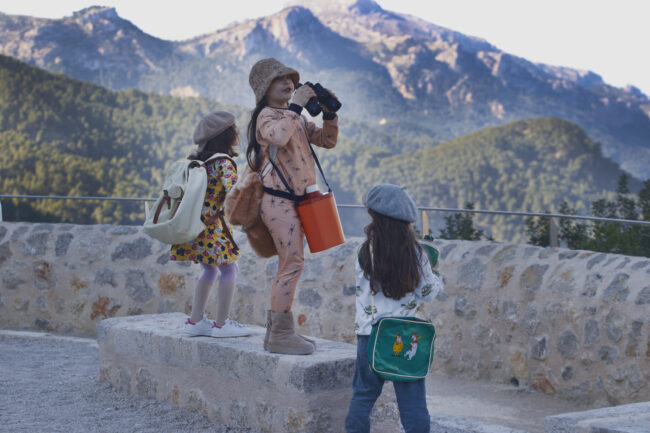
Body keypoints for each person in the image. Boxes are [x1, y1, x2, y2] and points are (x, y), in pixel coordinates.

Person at [247, 58, 339, 355]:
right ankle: (281, 335)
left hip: (300, 200)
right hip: (278, 200)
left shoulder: (294, 116)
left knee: (292, 263)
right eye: (279, 80)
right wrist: (296, 106)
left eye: (290, 78)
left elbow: (327, 141)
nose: (288, 83)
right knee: (292, 264)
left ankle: (277, 333)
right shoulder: (267, 116)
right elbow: (278, 136)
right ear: (265, 88)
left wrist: (330, 114)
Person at [345, 184, 443, 433]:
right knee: (413, 404)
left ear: (374, 216)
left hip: (370, 334)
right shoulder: (417, 253)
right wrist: (436, 272)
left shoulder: (365, 251)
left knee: (363, 396)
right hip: (406, 335)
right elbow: (427, 294)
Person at [171, 111, 250, 338]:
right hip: (214, 227)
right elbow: (234, 193)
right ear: (225, 134)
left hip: (194, 225)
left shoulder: (195, 160)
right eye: (234, 128)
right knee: (229, 268)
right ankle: (223, 323)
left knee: (210, 268)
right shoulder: (223, 163)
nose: (238, 132)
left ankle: (196, 320)